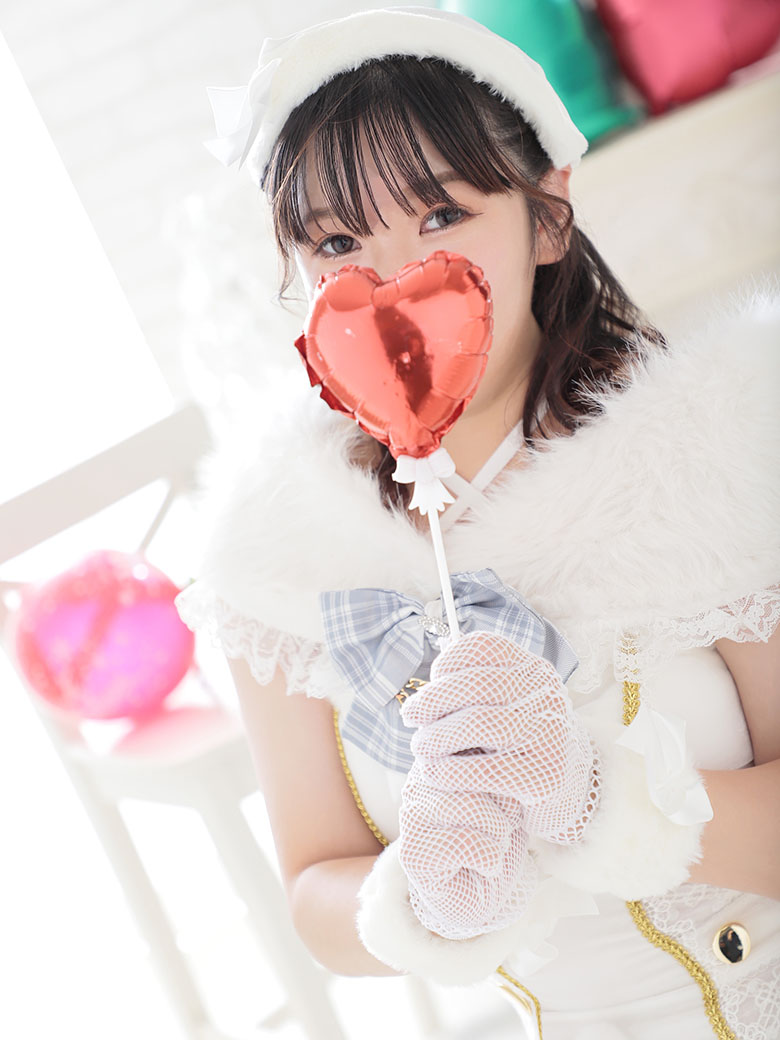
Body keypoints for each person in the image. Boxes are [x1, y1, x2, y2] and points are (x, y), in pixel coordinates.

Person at [176, 8, 780, 1039]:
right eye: (336, 240)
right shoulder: (281, 542)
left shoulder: (716, 446)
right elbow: (314, 887)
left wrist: (601, 798)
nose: (392, 276)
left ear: (548, 216)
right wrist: (418, 896)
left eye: (442, 214)